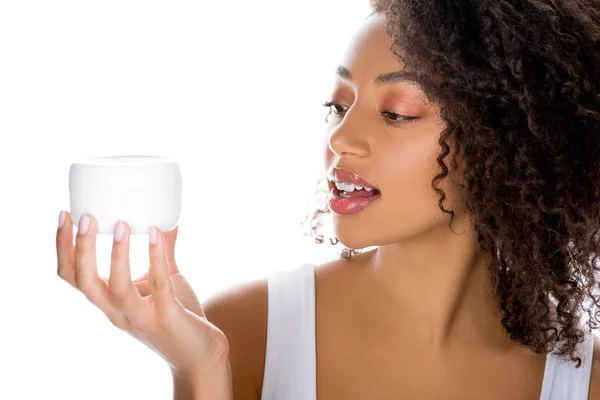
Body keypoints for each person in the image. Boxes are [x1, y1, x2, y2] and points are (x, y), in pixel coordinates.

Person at [56, 0, 600, 398]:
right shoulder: (246, 332)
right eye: (339, 107)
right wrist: (203, 369)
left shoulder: (583, 379)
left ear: (506, 143)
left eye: (396, 113)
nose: (340, 141)